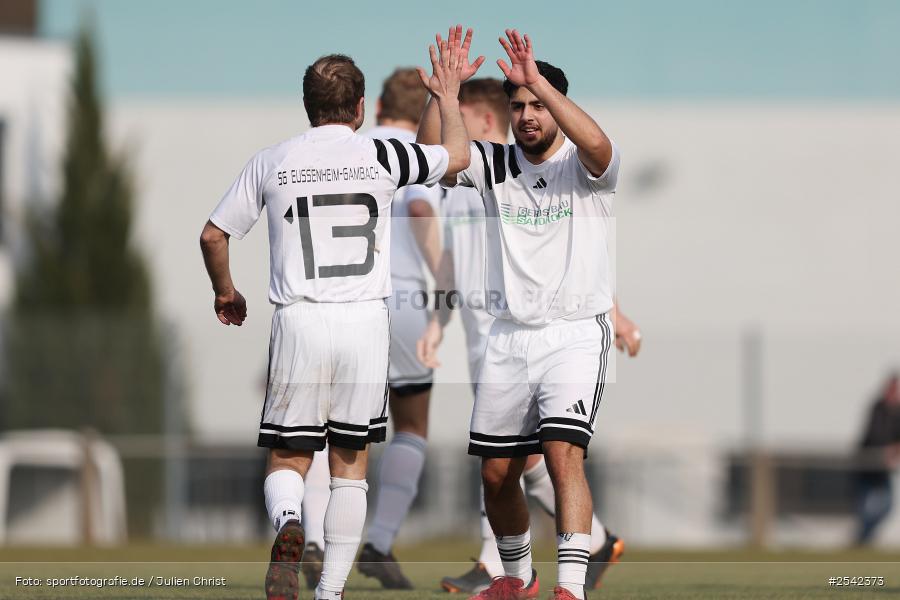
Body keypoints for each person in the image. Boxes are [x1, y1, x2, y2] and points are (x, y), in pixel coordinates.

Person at [199, 37, 471, 600]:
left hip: (299, 320)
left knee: (289, 456)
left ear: (307, 105)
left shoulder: (273, 160)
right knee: (351, 463)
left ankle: (288, 524)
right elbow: (459, 158)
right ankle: (330, 592)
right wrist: (447, 96)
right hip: (365, 325)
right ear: (358, 106)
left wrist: (227, 292)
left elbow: (212, 235)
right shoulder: (384, 156)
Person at [418, 27, 621, 600]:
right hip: (509, 338)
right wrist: (445, 95)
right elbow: (434, 159)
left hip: (575, 333)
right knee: (496, 474)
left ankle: (572, 589)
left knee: (562, 456)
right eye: (518, 105)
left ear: (557, 106)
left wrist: (541, 84)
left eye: (537, 104)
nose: (527, 115)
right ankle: (519, 580)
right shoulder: (493, 163)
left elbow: (600, 143)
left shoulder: (584, 168)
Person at [299, 67, 447, 591]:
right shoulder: (417, 152)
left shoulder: (353, 148)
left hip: (340, 302)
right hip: (403, 300)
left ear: (374, 105)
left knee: (320, 428)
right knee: (410, 425)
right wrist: (442, 301)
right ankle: (380, 541)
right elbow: (424, 208)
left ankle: (314, 536)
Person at [855, 372, 900, 545]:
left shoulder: (897, 412)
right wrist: (887, 449)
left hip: (884, 470)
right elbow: (874, 435)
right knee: (865, 509)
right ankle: (861, 540)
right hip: (868, 466)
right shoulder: (878, 408)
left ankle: (864, 539)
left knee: (887, 507)